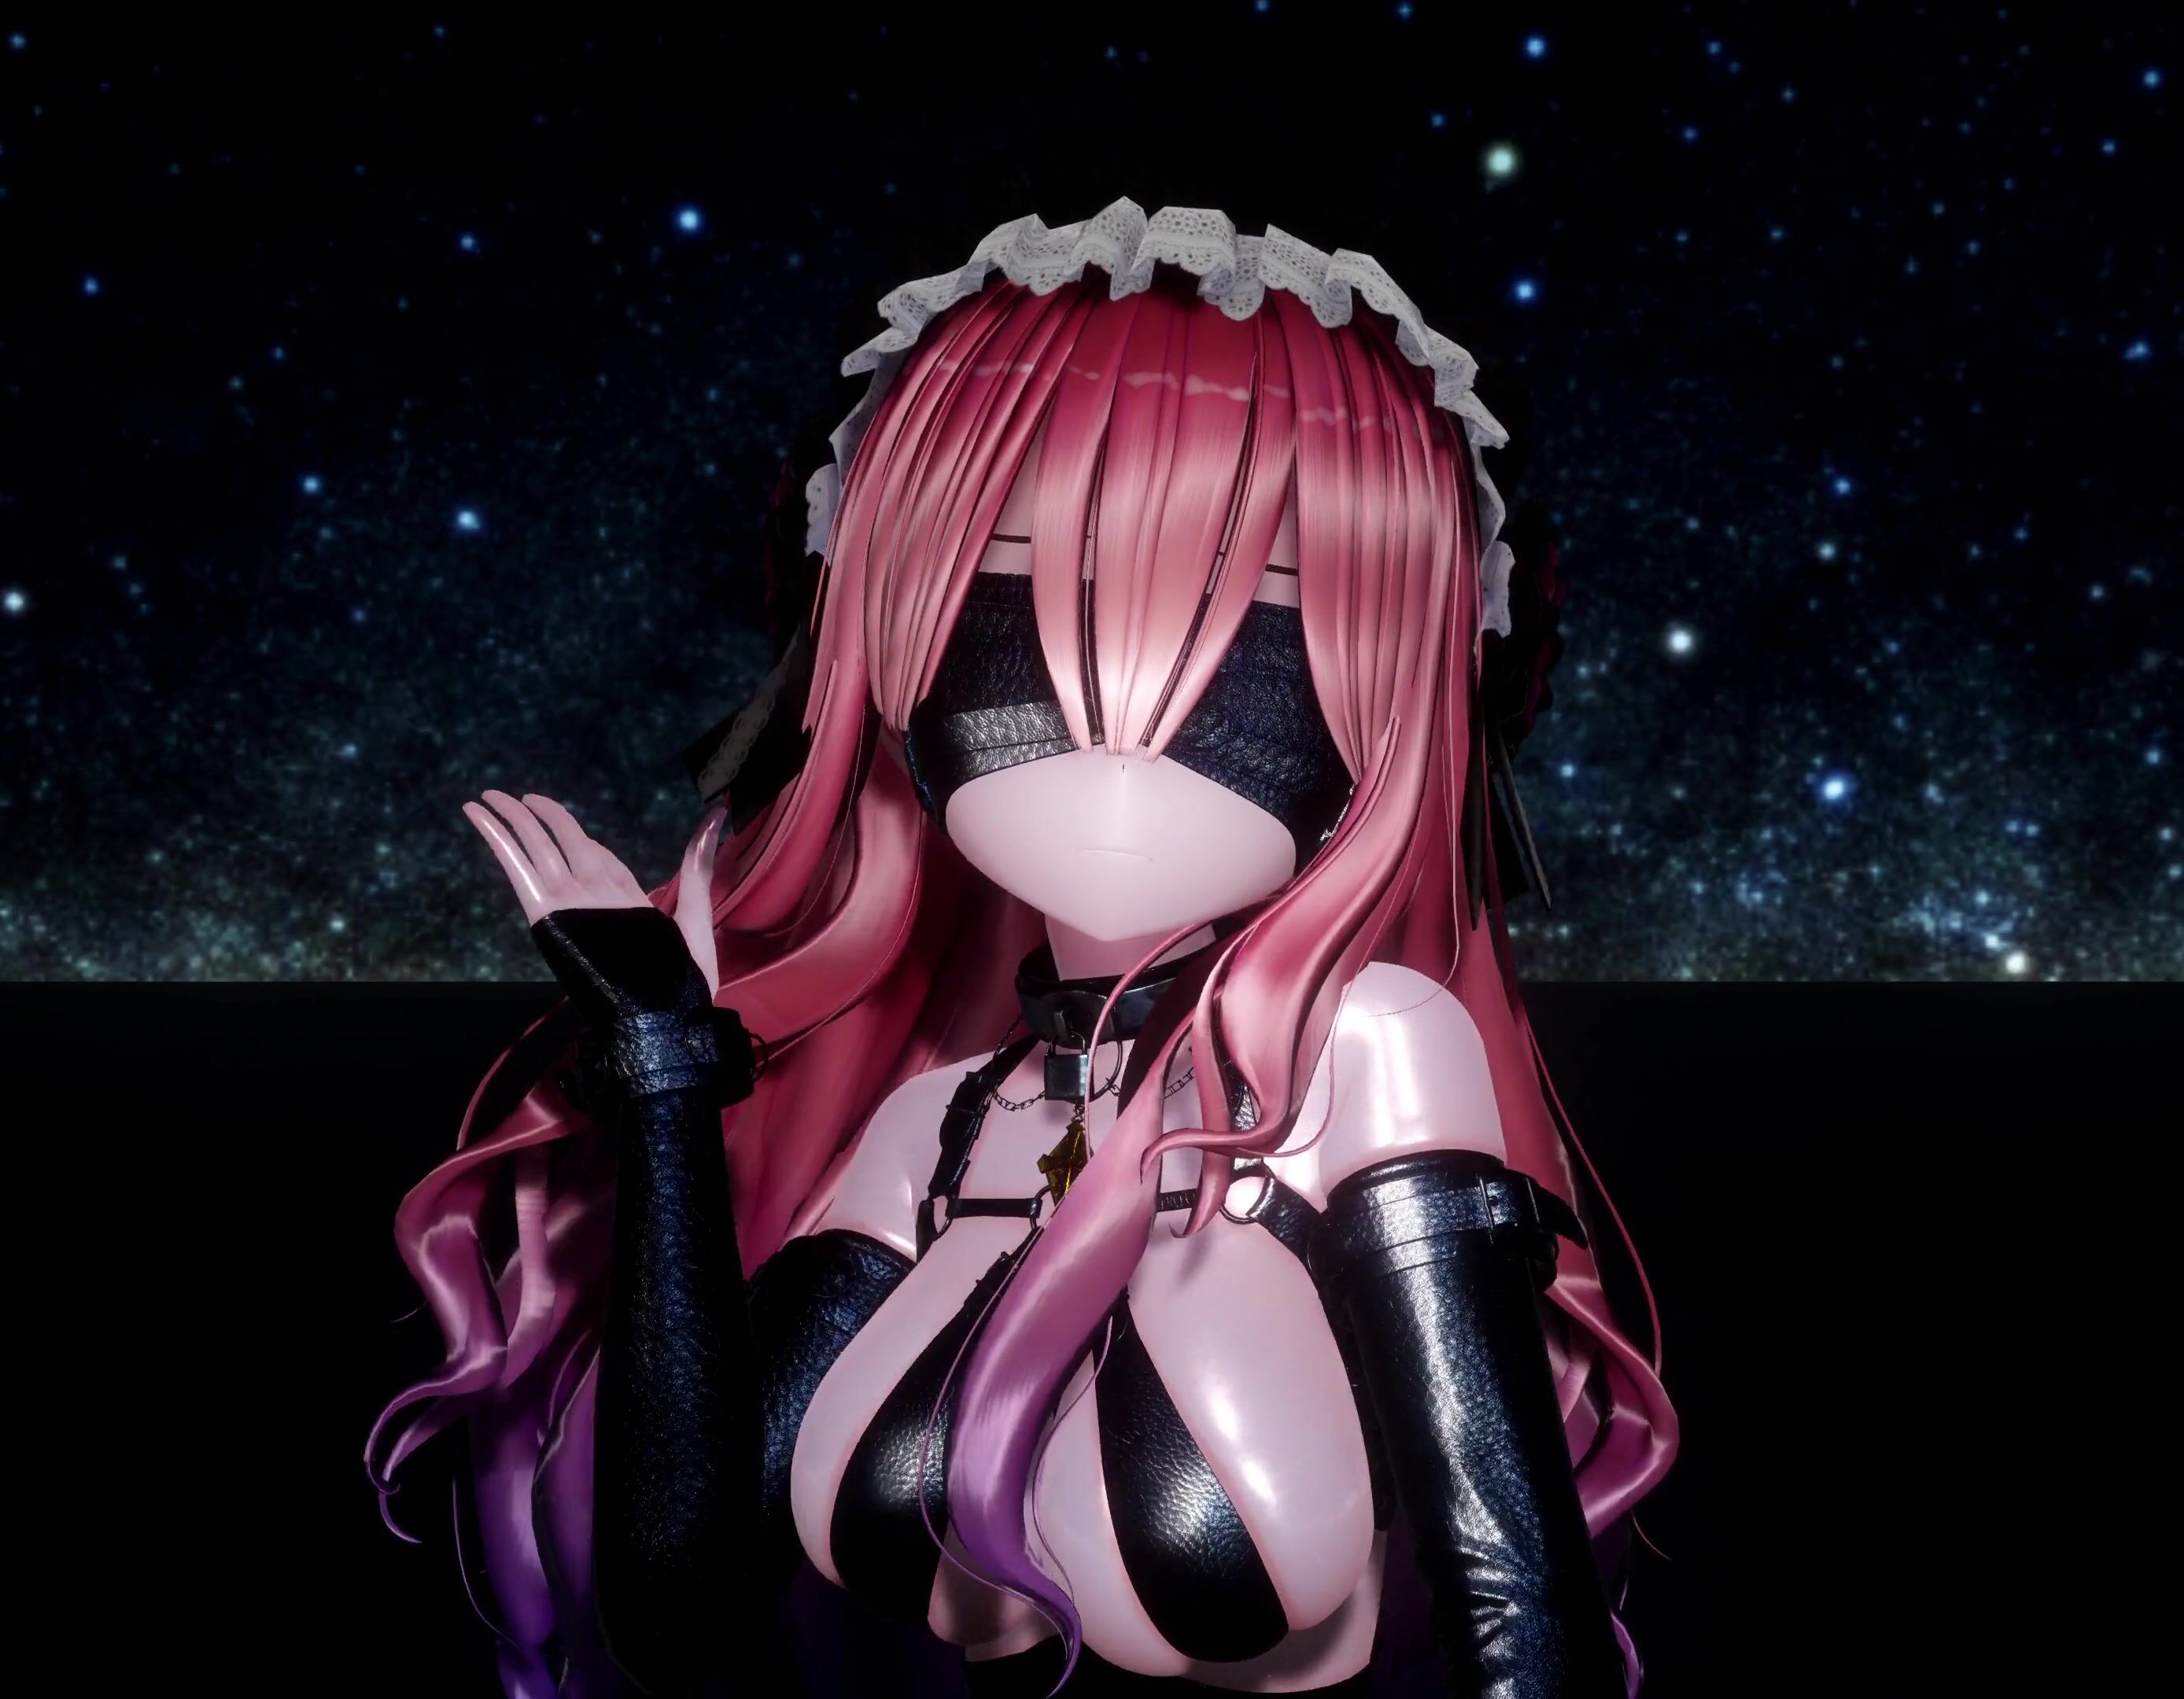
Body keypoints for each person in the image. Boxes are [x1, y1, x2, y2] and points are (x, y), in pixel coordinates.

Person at [369, 199, 1677, 1697]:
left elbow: (1516, 1599)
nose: (1118, 709)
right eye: (1019, 583)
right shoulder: (936, 1129)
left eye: (1256, 604)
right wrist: (666, 1066)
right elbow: (683, 1610)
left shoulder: (1366, 1053)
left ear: (1393, 679)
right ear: (899, 633)